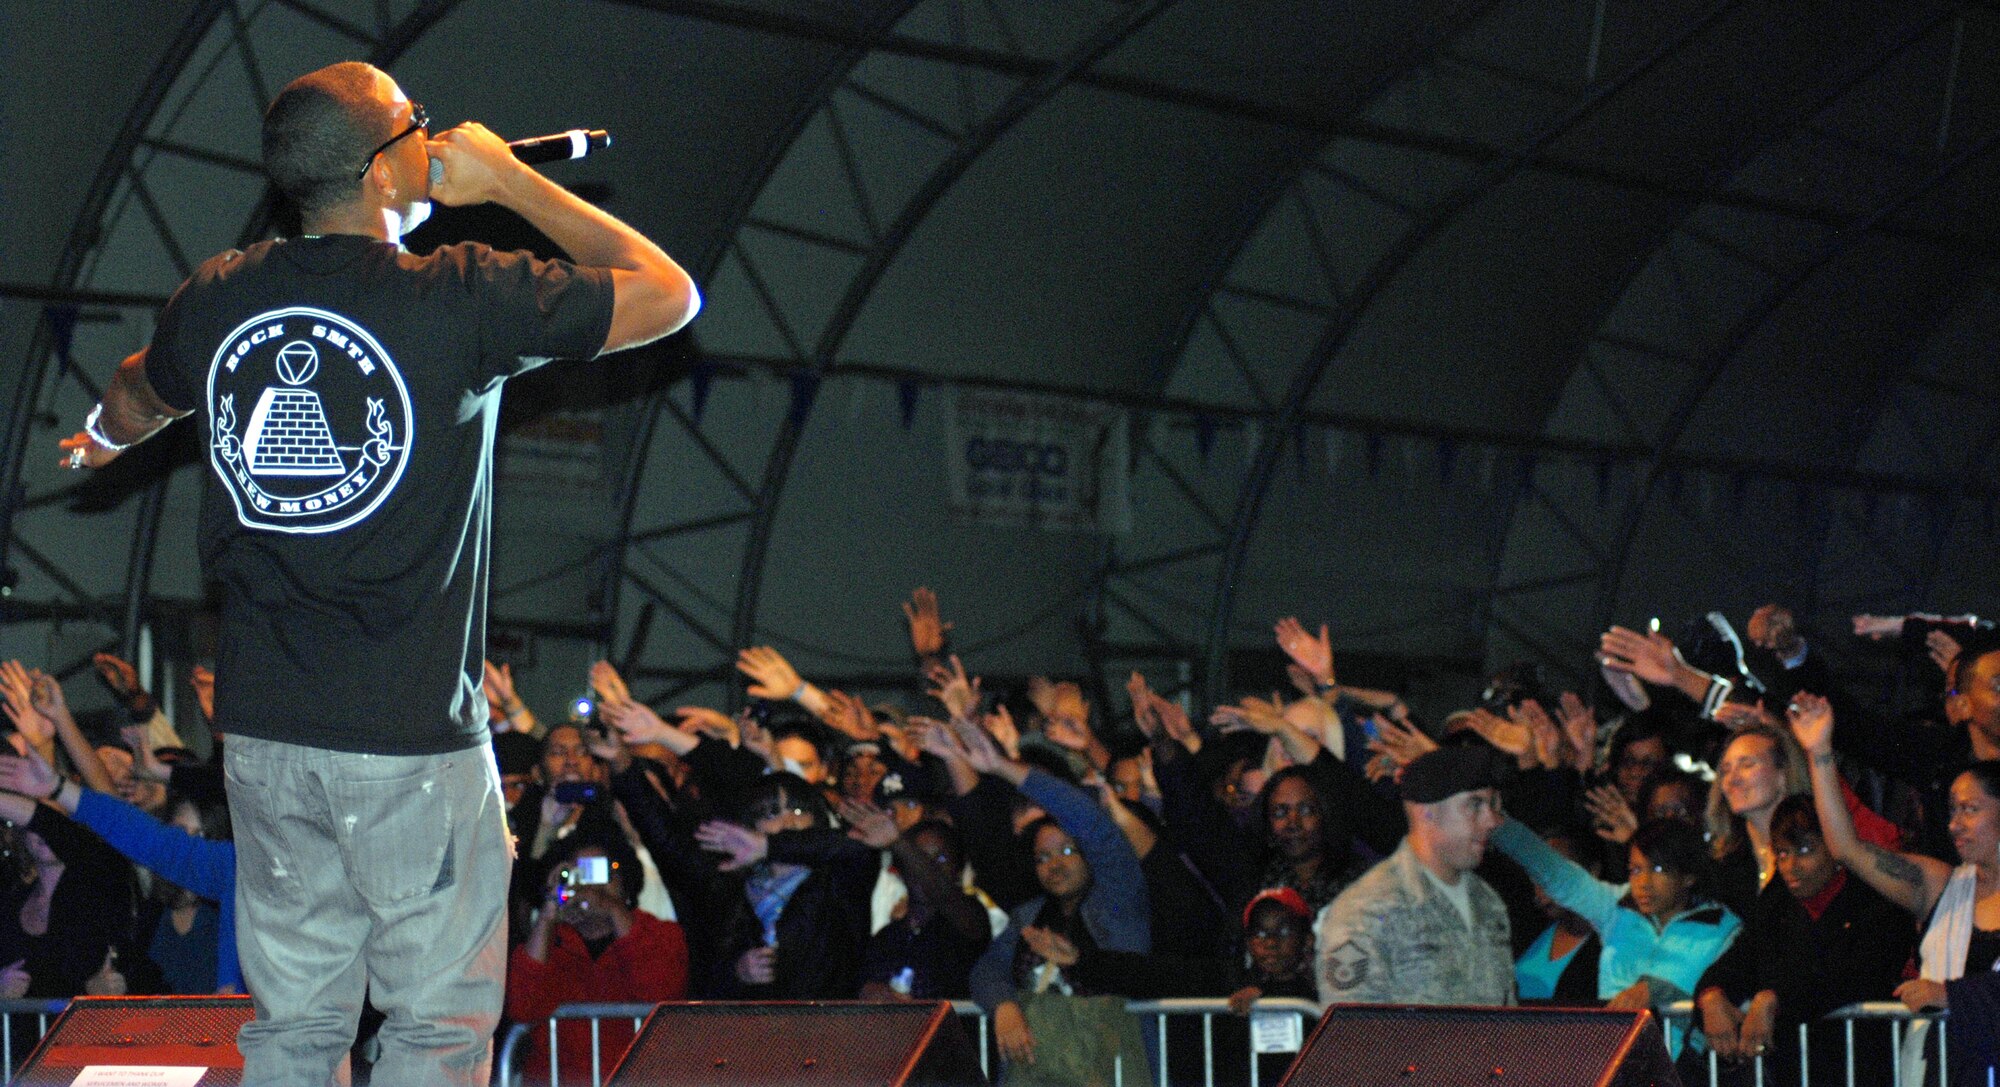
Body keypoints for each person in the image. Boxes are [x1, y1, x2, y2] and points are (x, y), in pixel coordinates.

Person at [54, 59, 698, 1085]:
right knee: (435, 1028)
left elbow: (141, 390)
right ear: (383, 167)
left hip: (265, 736)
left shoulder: (218, 295)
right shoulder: (463, 292)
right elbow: (667, 295)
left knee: (295, 1027)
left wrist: (96, 435)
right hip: (410, 742)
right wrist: (512, 186)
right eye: (418, 123)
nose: (434, 133)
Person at [1790, 693, 2000, 1087]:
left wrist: (1952, 995)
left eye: (1970, 809)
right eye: (1951, 810)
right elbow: (1846, 849)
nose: (1954, 824)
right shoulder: (1942, 885)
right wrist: (1820, 753)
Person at [1314, 744, 1513, 1006]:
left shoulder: (1488, 903)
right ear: (1426, 812)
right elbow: (1352, 1035)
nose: (1492, 820)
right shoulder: (1366, 912)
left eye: (1493, 804)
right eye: (1475, 805)